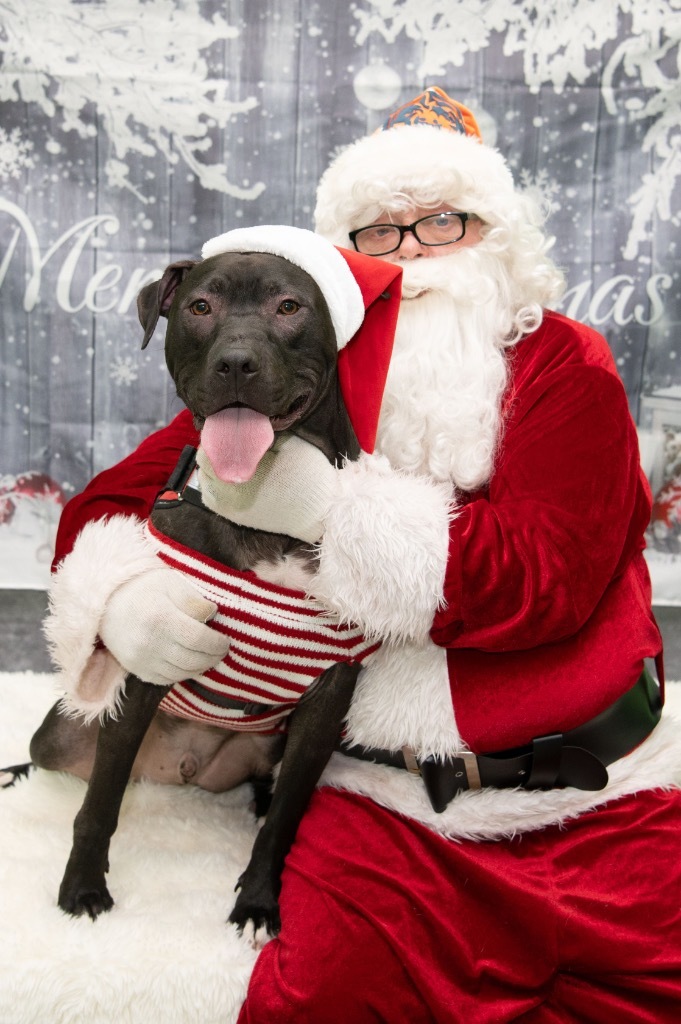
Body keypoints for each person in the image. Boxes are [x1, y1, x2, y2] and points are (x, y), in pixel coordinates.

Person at [43, 87, 681, 1022]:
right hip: (380, 804)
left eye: (442, 223)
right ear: (346, 260)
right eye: (378, 234)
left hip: (595, 800)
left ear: (494, 236)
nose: (413, 253)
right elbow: (110, 501)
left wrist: (333, 511)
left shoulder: (563, 364)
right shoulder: (298, 374)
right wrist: (122, 595)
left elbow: (547, 581)